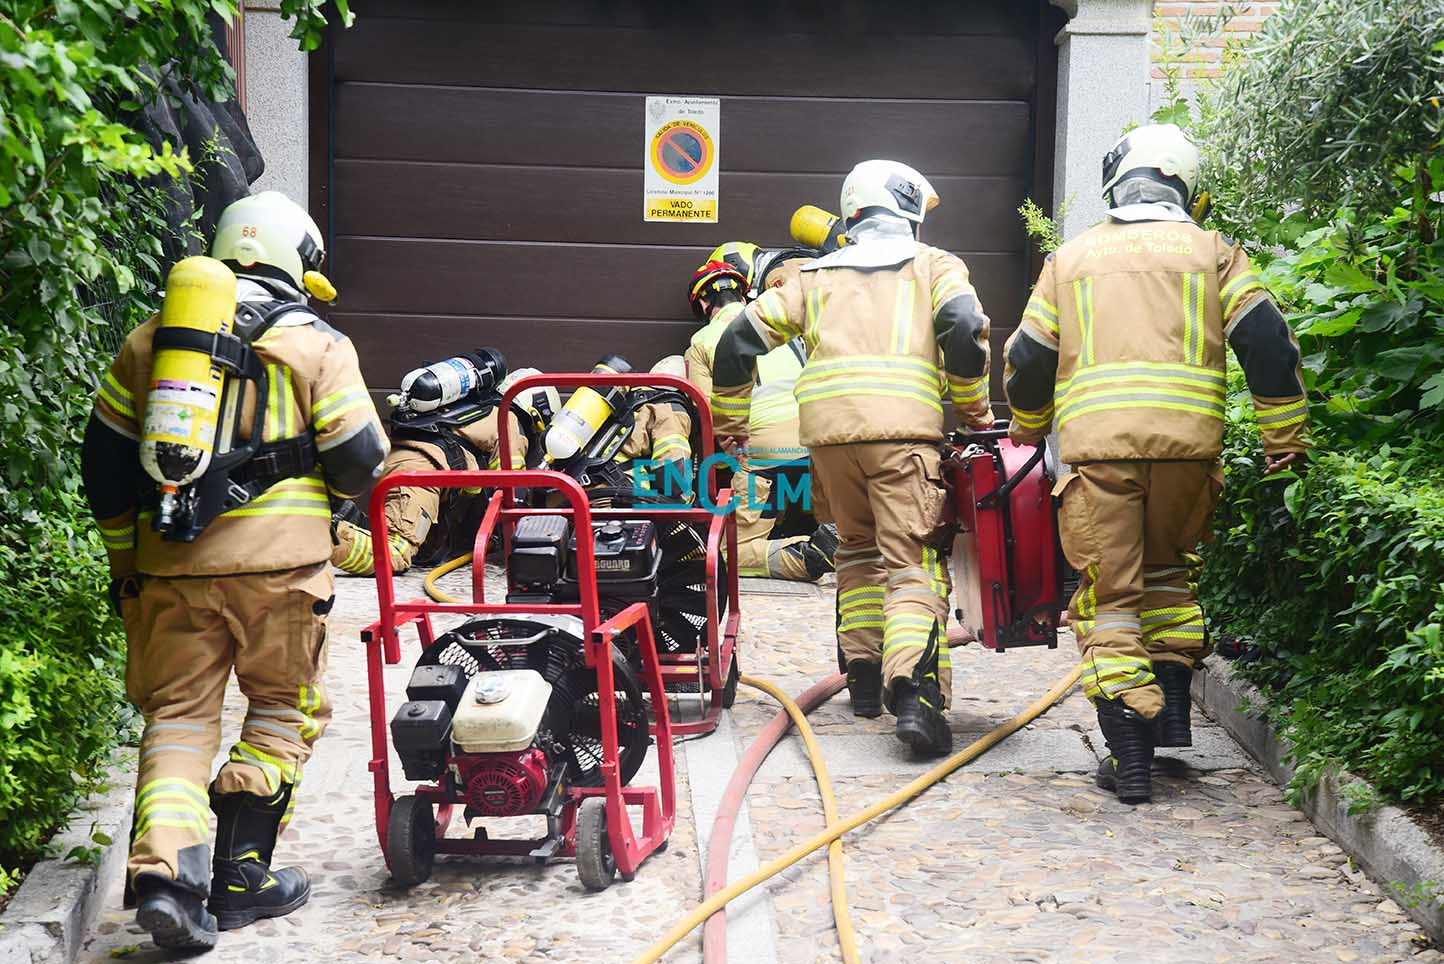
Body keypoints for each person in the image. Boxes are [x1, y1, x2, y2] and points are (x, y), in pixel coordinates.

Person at [83, 191, 388, 949]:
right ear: (296, 259)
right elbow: (363, 462)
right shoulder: (317, 342)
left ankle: (168, 879)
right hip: (283, 573)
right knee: (283, 711)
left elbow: (104, 469)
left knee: (180, 719)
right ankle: (244, 875)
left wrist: (129, 566)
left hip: (169, 566)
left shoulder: (152, 339)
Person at [1003, 123, 1312, 804]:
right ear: (1186, 187)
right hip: (1187, 454)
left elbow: (1028, 359)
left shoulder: (1073, 258)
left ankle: (1132, 755)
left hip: (1098, 456)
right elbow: (1265, 342)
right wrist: (1282, 435)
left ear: (1116, 182)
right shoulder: (1213, 253)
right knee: (1169, 575)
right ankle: (1170, 711)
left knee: (1110, 599)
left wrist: (1028, 427)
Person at [711, 160, 994, 755]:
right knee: (912, 562)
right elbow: (964, 325)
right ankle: (913, 692)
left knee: (857, 552)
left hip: (830, 445)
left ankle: (863, 680)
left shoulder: (814, 276)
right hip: (903, 440)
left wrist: (730, 422)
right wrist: (973, 412)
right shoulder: (935, 267)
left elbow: (738, 340)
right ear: (909, 208)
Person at [685, 256, 837, 580]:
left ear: (701, 302)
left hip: (764, 457)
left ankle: (809, 555)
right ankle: (840, 539)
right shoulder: (784, 328)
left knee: (727, 554)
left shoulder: (700, 343)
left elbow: (708, 410)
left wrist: (730, 458)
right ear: (744, 295)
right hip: (819, 446)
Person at [330, 367, 559, 576]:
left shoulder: (481, 408)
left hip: (409, 465)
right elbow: (508, 490)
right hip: (420, 474)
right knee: (395, 553)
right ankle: (317, 537)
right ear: (537, 415)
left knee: (422, 551)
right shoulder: (508, 419)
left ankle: (343, 517)